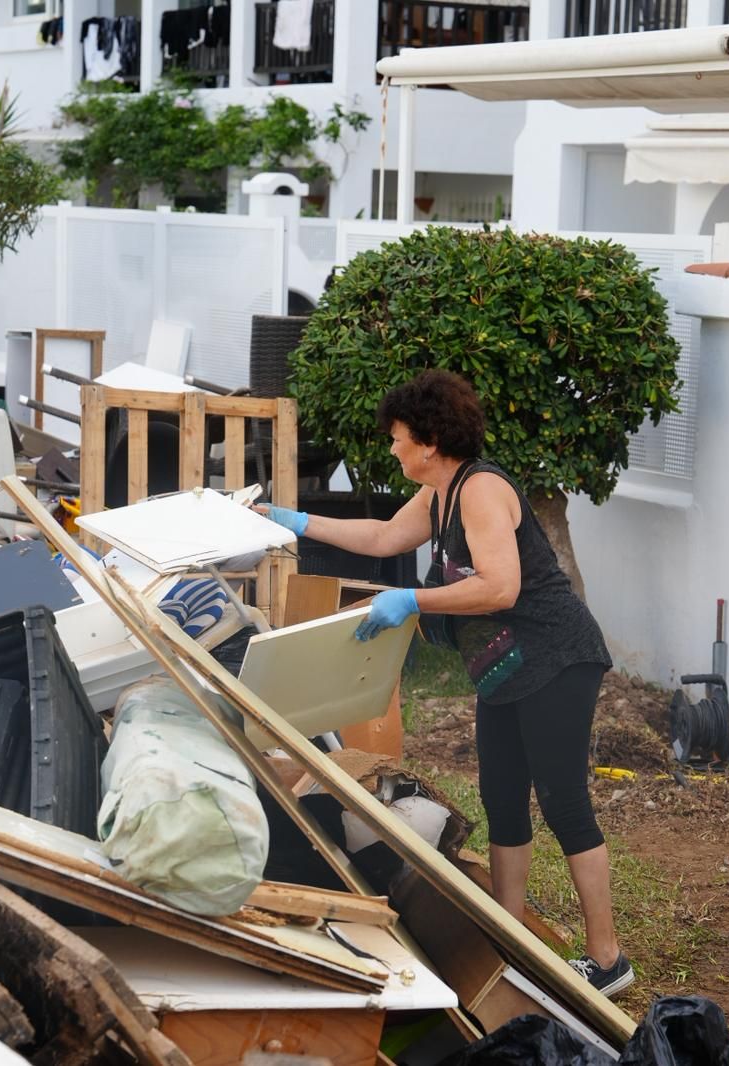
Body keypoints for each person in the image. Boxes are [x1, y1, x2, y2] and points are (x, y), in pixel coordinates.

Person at [259, 369, 632, 996]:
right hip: (506, 663)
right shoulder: (440, 494)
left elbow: (501, 586)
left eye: (399, 437)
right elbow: (380, 537)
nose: (393, 448)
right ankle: (511, 939)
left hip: (556, 656)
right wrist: (294, 521)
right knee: (503, 798)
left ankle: (607, 958)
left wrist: (415, 598)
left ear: (429, 441)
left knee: (564, 803)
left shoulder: (482, 491)